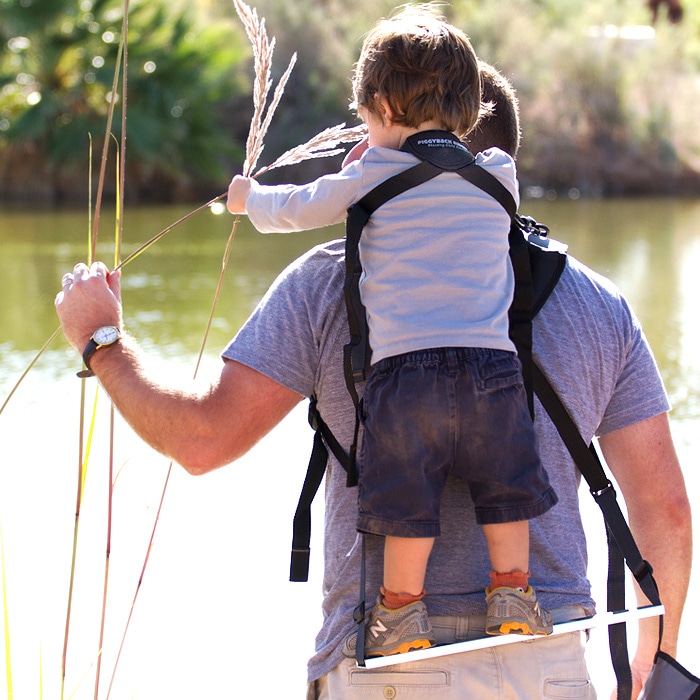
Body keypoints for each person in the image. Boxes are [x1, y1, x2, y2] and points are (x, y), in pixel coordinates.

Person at [54, 59, 691, 699]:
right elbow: (663, 511)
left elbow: (203, 440)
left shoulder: (329, 284)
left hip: (389, 664)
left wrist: (101, 342)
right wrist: (649, 662)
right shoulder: (598, 305)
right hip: (548, 658)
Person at [227, 7, 556, 657]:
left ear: (377, 103)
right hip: (495, 369)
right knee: (505, 489)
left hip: (407, 375)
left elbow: (300, 209)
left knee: (409, 501)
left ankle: (402, 616)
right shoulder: (497, 173)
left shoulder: (372, 174)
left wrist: (249, 200)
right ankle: (514, 596)